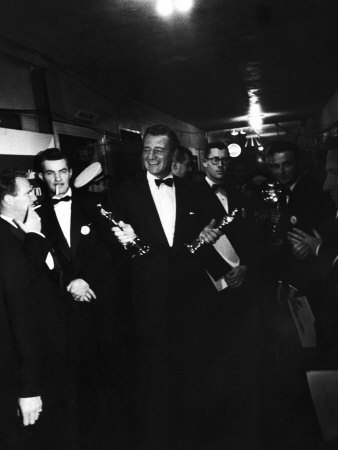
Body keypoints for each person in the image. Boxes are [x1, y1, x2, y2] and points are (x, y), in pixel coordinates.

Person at [111, 124, 220, 450]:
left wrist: (207, 237)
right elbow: (116, 257)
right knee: (152, 387)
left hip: (190, 305)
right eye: (146, 149)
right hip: (146, 308)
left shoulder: (193, 189)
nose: (151, 156)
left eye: (159, 150)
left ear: (173, 154)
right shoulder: (124, 193)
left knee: (192, 381)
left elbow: (215, 224)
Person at [35, 148, 117, 449]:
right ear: (42, 177)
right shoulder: (35, 213)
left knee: (107, 386)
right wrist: (70, 283)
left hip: (99, 309)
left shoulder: (96, 205)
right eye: (50, 173)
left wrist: (88, 281)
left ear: (71, 172)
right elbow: (36, 266)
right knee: (70, 393)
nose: (58, 178)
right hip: (63, 315)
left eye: (63, 171)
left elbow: (114, 256)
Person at [0, 169, 66, 449]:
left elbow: (54, 271)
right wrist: (28, 386)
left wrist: (35, 235)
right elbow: (19, 311)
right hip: (24, 367)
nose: (34, 197)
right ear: (7, 199)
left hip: (43, 353)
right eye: (27, 193)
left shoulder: (24, 229)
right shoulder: (5, 240)